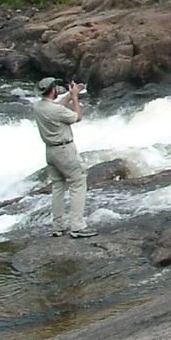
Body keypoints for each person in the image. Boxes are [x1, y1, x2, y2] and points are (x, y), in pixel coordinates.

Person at [34, 77, 96, 238]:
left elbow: (57, 108)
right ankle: (77, 226)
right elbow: (77, 117)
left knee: (57, 186)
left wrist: (70, 94)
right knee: (78, 182)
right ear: (52, 90)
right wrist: (75, 98)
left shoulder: (38, 106)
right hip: (65, 150)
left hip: (50, 151)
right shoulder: (55, 110)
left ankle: (57, 226)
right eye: (55, 87)